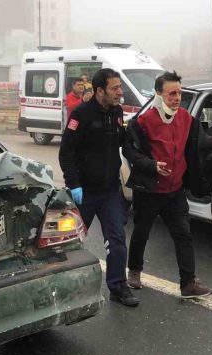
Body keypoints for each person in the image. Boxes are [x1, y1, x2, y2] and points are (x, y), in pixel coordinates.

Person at [122, 71, 212, 298]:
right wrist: (152, 165)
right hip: (150, 190)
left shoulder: (186, 118)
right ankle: (134, 271)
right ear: (159, 94)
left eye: (179, 93)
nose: (176, 97)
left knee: (183, 235)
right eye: (172, 93)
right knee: (141, 233)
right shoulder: (143, 121)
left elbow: (199, 141)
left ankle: (188, 283)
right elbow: (129, 151)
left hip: (175, 190)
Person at [59, 68, 139, 307]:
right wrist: (74, 184)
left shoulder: (116, 113)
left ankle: (118, 287)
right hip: (84, 193)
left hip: (109, 192)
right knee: (71, 242)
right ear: (100, 90)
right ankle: (63, 288)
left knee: (116, 241)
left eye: (120, 87)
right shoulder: (81, 115)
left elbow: (122, 142)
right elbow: (66, 153)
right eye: (115, 88)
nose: (120, 92)